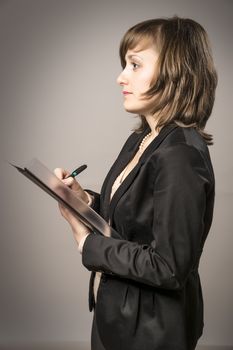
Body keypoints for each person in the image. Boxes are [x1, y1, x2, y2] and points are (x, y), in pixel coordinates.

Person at [54, 16, 217, 350]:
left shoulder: (180, 155)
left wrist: (87, 243)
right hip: (120, 318)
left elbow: (169, 267)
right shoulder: (144, 138)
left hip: (151, 331)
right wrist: (85, 201)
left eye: (134, 65)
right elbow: (137, 219)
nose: (120, 77)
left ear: (176, 72)